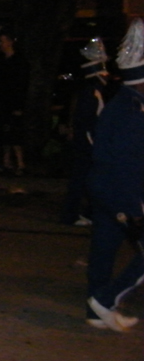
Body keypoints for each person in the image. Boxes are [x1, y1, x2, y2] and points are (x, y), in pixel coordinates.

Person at [85, 18, 144, 332]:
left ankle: (96, 310)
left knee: (104, 250)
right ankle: (104, 301)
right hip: (121, 191)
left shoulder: (125, 103)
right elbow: (128, 162)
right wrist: (135, 205)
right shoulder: (134, 109)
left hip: (107, 188)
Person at [60, 37, 108, 226]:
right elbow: (87, 121)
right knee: (81, 181)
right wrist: (92, 143)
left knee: (87, 181)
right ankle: (70, 215)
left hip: (89, 142)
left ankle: (88, 213)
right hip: (87, 143)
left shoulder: (94, 91)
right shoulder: (92, 92)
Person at [0, 30, 29, 175]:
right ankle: (6, 162)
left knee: (15, 134)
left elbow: (21, 85)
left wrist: (19, 105)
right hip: (2, 103)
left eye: (2, 41)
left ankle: (20, 163)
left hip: (14, 103)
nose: (0, 45)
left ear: (10, 42)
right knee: (4, 134)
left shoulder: (19, 62)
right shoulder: (1, 62)